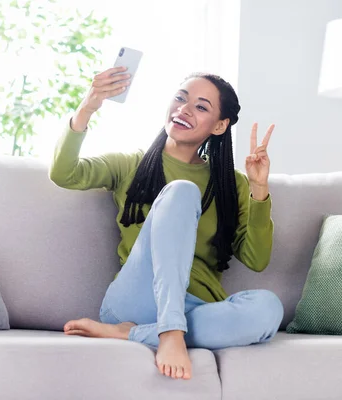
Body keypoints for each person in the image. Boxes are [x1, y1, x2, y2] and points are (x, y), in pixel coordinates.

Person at [49, 66, 284, 381]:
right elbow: (65, 173)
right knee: (181, 192)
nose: (184, 109)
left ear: (219, 125)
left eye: (201, 107)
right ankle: (169, 331)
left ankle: (130, 334)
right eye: (180, 99)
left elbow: (257, 260)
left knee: (268, 308)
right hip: (137, 299)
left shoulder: (232, 184)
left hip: (196, 310)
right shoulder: (131, 164)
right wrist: (88, 107)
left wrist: (259, 188)